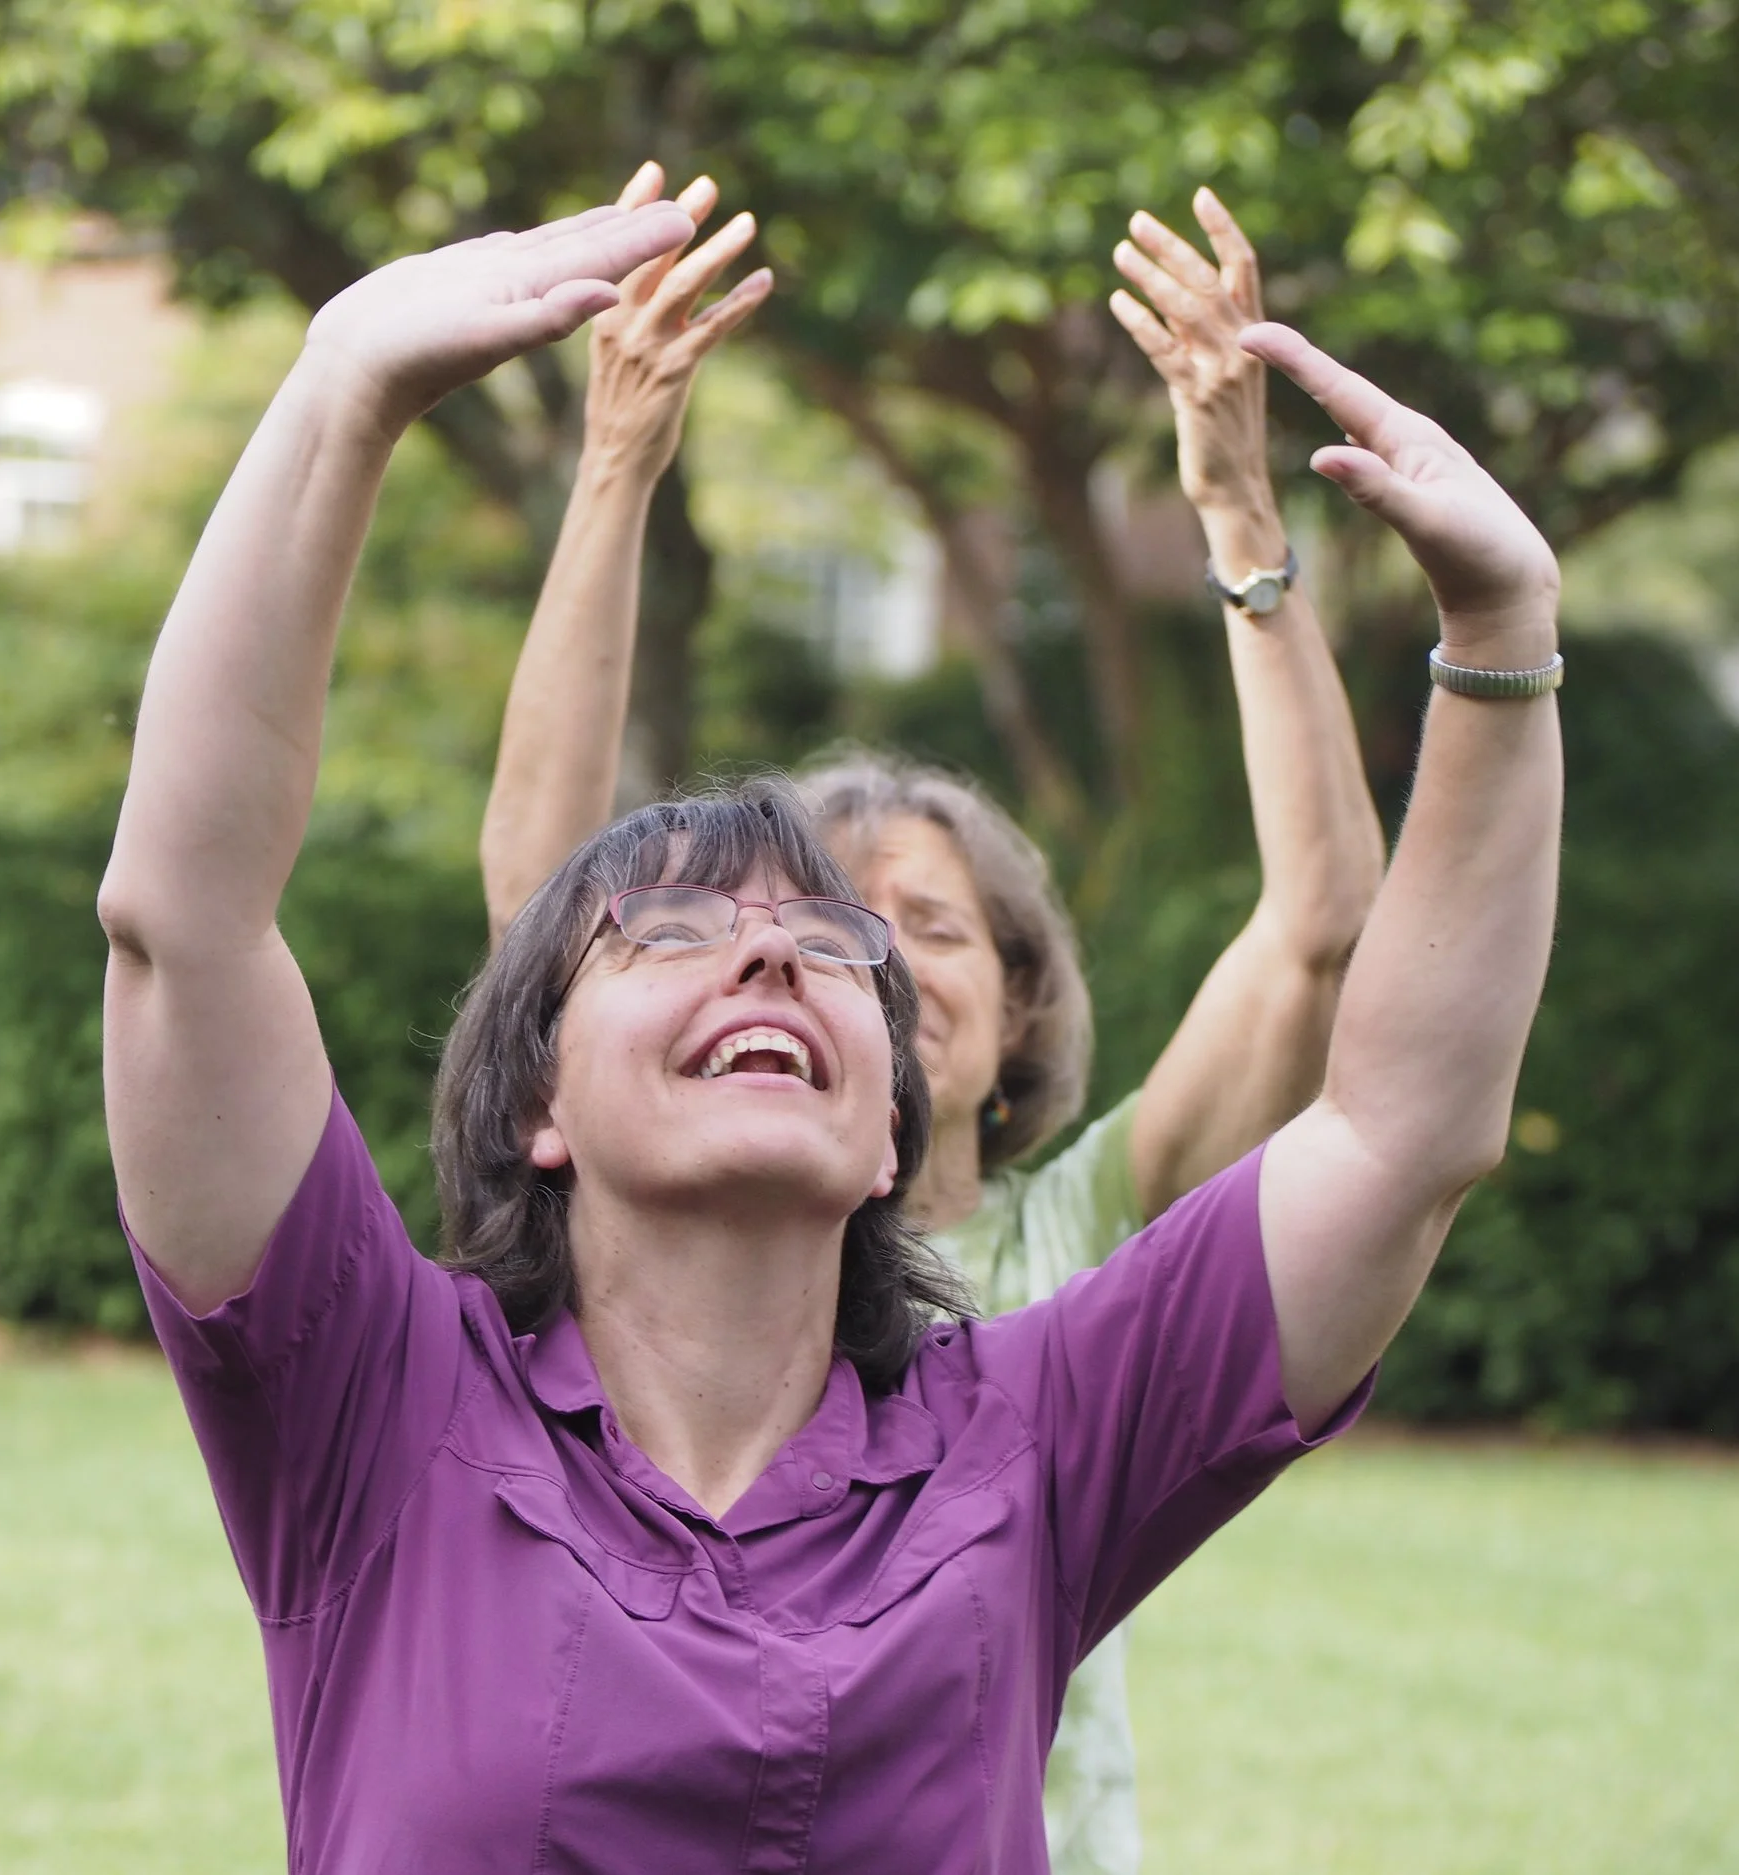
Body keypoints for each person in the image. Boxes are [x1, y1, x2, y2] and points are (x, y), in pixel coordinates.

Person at [97, 193, 1566, 1871]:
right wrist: (339, 391)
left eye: (834, 945)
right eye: (674, 931)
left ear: (893, 1129)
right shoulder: (376, 1405)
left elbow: (1400, 1131)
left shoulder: (1036, 1436)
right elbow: (183, 925)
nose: (777, 960)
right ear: (539, 1105)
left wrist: (1502, 646)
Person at [477, 167, 1390, 1871]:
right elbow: (539, 894)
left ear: (1023, 996)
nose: (864, 966)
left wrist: (1244, 523)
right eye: (824, 925)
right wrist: (615, 472)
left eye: (933, 928)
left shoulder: (1099, 1235)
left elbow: (1324, 927)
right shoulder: (660, 1242)